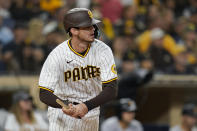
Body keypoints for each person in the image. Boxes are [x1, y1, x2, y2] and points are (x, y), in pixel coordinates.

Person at [38, 8, 118, 131]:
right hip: (62, 116)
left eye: (93, 26)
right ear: (74, 30)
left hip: (90, 114)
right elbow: (44, 93)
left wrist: (87, 106)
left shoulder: (103, 50)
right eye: (87, 27)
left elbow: (111, 89)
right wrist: (64, 104)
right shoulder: (57, 55)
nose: (93, 29)